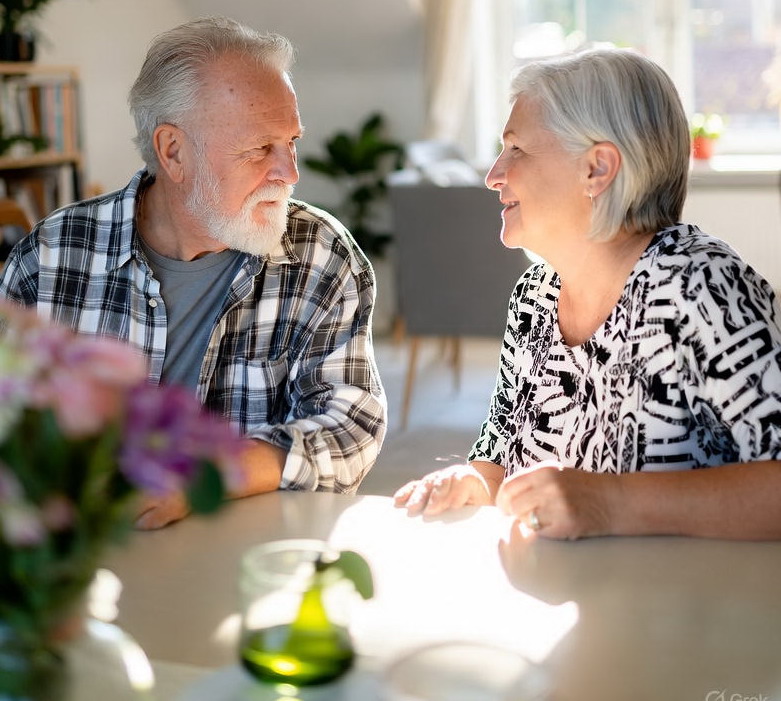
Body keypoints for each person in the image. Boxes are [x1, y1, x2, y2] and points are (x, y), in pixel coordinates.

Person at [0, 17, 387, 529]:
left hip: (244, 549)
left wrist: (210, 474)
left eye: (291, 142)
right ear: (174, 151)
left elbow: (350, 426)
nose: (290, 173)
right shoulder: (51, 259)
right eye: (259, 149)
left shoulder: (320, 255)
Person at [394, 48, 781, 540]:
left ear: (597, 169)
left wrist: (611, 503)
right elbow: (498, 460)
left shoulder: (702, 289)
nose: (493, 175)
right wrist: (473, 482)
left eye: (516, 149)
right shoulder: (534, 296)